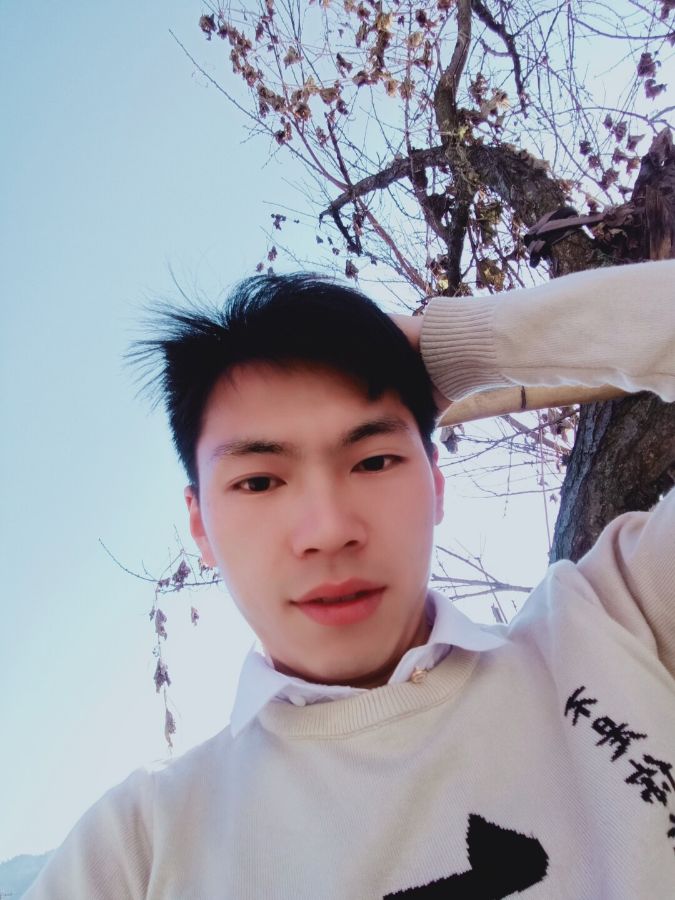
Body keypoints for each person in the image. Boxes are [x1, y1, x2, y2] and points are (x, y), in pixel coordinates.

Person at [26, 261, 675, 899]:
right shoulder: (137, 848)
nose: (329, 530)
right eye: (259, 481)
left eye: (373, 461)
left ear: (435, 484)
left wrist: (460, 346)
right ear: (200, 526)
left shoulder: (620, 619)